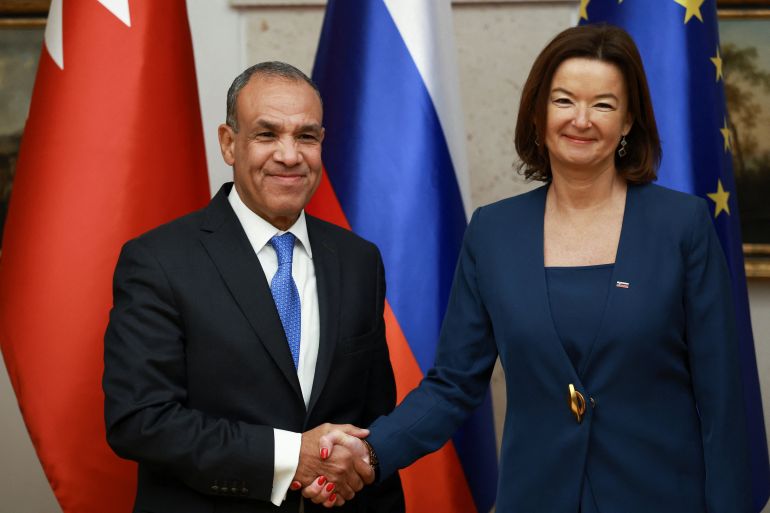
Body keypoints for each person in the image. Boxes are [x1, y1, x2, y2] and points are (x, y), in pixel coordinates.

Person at [305, 24, 753, 512]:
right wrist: (371, 451)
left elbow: (722, 398)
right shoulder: (494, 232)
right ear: (538, 114)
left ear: (628, 122)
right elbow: (453, 385)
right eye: (564, 101)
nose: (581, 119)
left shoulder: (681, 226)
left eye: (603, 104)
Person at [103, 61, 404, 513]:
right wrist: (289, 458)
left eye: (306, 136)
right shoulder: (158, 260)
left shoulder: (359, 260)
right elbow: (140, 420)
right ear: (229, 143)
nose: (289, 155)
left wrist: (356, 465)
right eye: (267, 135)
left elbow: (374, 420)